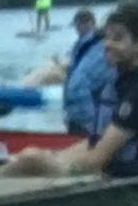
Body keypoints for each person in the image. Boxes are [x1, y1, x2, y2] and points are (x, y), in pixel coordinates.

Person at [0, 3, 138, 178]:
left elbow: (97, 159)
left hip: (123, 177)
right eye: (107, 37)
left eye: (118, 38)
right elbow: (95, 142)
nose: (107, 44)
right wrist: (55, 157)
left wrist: (53, 166)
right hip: (107, 170)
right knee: (31, 157)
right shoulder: (120, 81)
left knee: (30, 159)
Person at [25, 6, 105, 134]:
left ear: (90, 23)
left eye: (81, 24)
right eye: (77, 24)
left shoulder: (94, 45)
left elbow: (81, 79)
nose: (78, 28)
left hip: (85, 116)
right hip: (78, 114)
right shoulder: (80, 44)